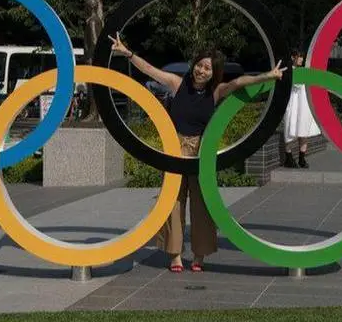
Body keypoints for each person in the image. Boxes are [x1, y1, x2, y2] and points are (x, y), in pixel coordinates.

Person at [109, 32, 285, 273]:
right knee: (173, 201)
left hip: (202, 150)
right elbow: (150, 70)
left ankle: (199, 255)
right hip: (175, 147)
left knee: (202, 203)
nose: (202, 71)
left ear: (214, 73)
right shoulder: (177, 84)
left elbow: (239, 83)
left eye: (208, 69)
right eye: (200, 66)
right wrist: (127, 53)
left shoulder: (216, 92)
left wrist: (269, 76)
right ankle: (175, 256)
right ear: (194, 66)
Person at [283, 50, 321, 169]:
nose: (301, 59)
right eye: (299, 57)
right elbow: (295, 85)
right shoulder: (288, 71)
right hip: (293, 103)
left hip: (304, 104)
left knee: (304, 131)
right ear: (293, 57)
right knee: (290, 130)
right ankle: (288, 157)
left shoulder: (304, 71)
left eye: (302, 57)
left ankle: (301, 158)